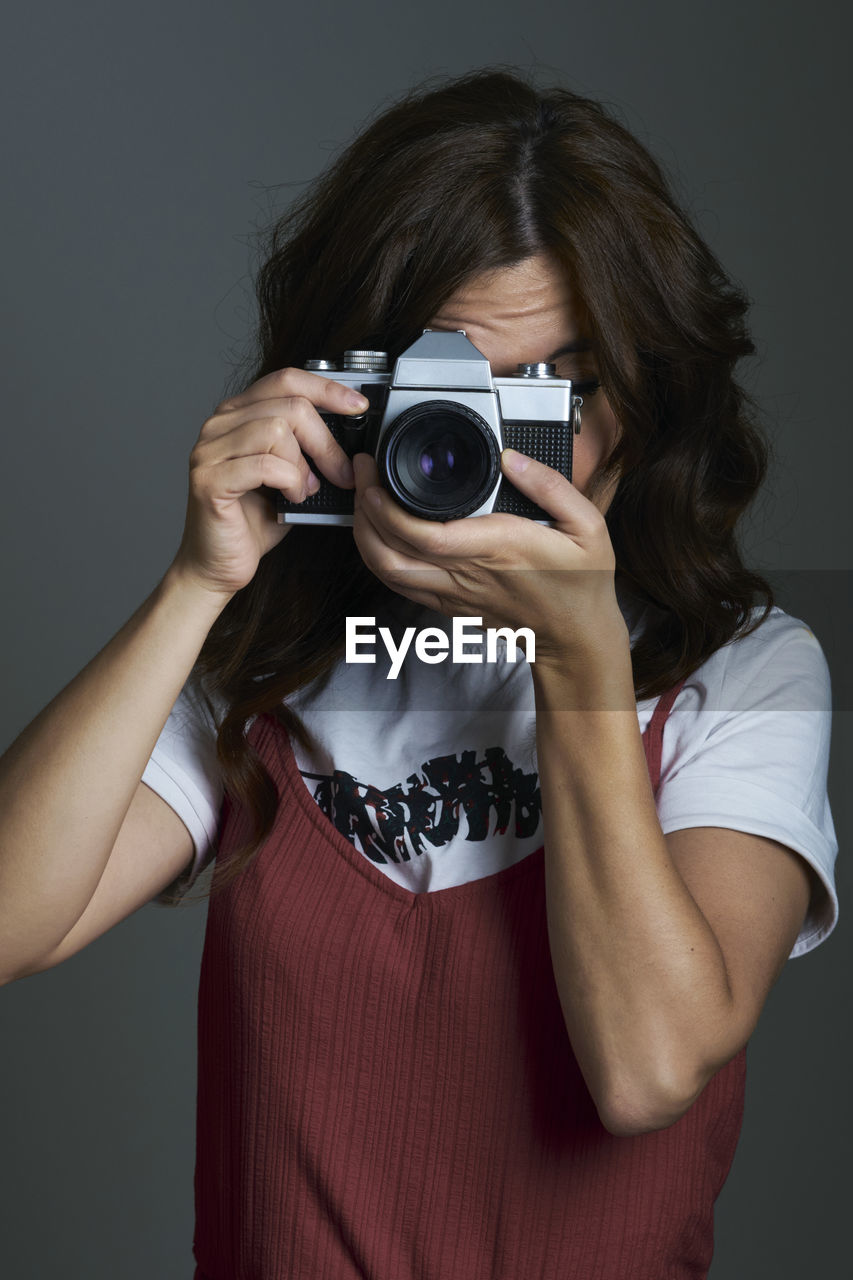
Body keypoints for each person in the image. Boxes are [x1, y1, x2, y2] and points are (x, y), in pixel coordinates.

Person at [0, 68, 838, 1280]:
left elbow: (649, 1070)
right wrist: (196, 584)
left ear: (645, 395)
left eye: (551, 389)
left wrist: (582, 661)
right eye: (444, 393)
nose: (483, 446)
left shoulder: (751, 673)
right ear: (353, 388)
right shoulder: (272, 665)